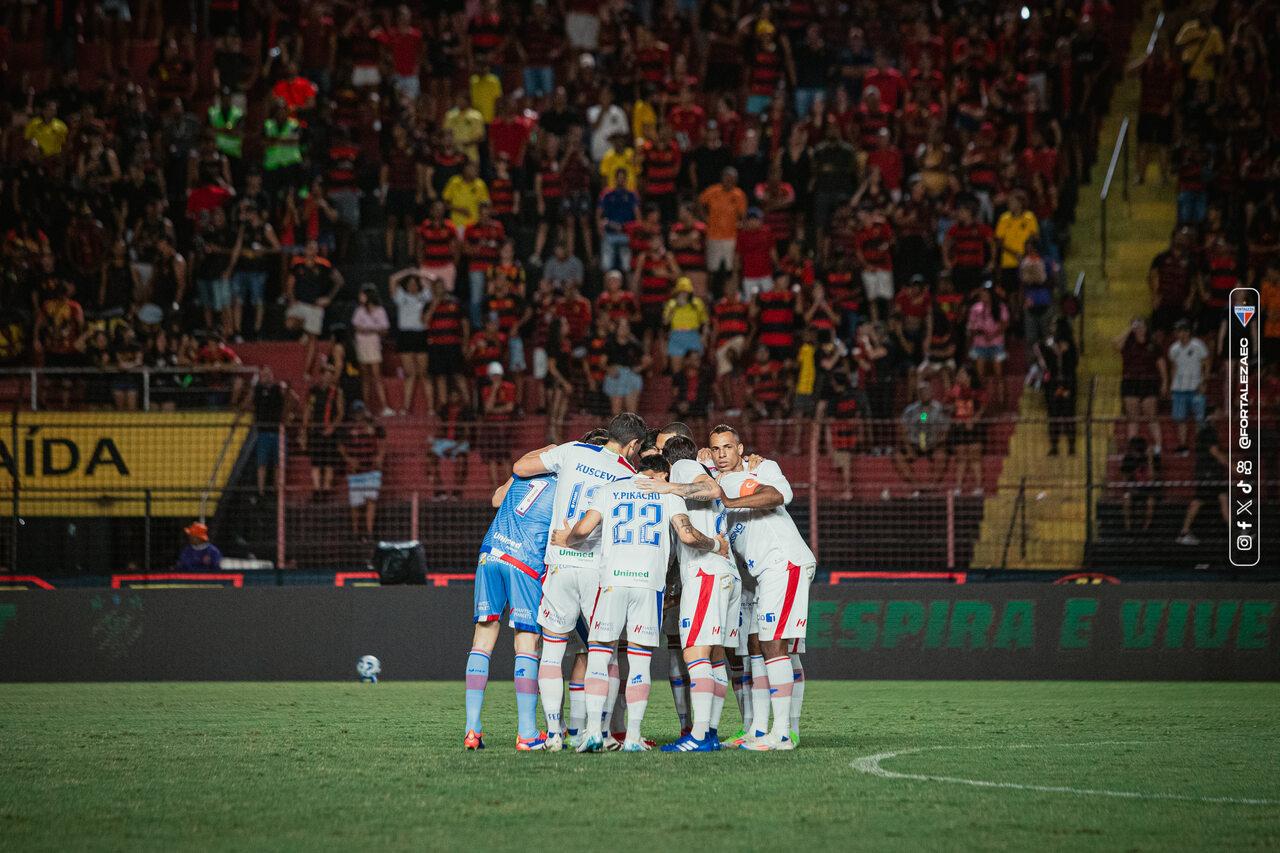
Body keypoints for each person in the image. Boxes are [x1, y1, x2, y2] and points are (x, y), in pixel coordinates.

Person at [550, 453, 727, 753]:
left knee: (600, 654)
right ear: (662, 474)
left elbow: (582, 530)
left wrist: (566, 540)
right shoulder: (668, 494)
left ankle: (593, 732)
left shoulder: (609, 490)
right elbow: (686, 534)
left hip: (612, 582)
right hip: (648, 585)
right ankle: (633, 737)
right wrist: (715, 544)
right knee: (640, 659)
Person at [512, 412, 648, 752]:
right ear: (633, 445)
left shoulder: (572, 450)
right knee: (604, 652)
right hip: (596, 571)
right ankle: (598, 732)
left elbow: (521, 468)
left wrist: (551, 451)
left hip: (559, 564)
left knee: (552, 651)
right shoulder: (629, 476)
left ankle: (554, 734)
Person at [711, 427, 816, 751]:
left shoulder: (762, 468)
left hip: (784, 562)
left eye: (728, 447)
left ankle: (783, 732)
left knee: (775, 645)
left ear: (740, 448)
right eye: (715, 449)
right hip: (762, 573)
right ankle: (758, 729)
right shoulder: (713, 479)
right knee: (757, 645)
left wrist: (730, 501)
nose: (722, 454)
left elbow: (780, 496)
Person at [464, 465, 559, 752]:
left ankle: (472, 730)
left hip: (490, 552)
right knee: (526, 642)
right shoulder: (569, 481)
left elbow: (496, 499)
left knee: (482, 639)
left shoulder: (528, 470)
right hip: (525, 560)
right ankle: (527, 733)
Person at [285, 241, 344, 375]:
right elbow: (290, 283)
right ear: (305, 250)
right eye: (310, 248)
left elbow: (339, 281)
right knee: (290, 324)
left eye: (315, 249)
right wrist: (292, 299)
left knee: (313, 339)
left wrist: (328, 298)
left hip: (315, 307)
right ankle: (306, 330)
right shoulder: (297, 263)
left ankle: (307, 371)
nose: (312, 251)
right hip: (300, 304)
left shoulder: (324, 264)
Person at [1115, 317, 1166, 458]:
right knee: (1133, 418)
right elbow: (1116, 345)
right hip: (1130, 382)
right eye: (1137, 326)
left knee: (1151, 416)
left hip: (1149, 382)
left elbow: (1161, 364)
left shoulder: (1153, 344)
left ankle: (1158, 448)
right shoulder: (1128, 343)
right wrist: (1129, 330)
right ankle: (1133, 449)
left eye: (1142, 326)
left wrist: (1164, 382)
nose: (1139, 329)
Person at [388, 267, 434, 416]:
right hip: (405, 335)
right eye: (410, 283)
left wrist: (419, 273)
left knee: (424, 373)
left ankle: (431, 408)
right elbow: (392, 280)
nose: (412, 286)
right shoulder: (401, 296)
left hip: (420, 335)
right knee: (410, 374)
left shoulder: (424, 296)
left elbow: (432, 280)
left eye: (415, 283)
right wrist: (409, 272)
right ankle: (406, 407)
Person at [892, 382, 950, 497]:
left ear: (931, 392)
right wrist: (908, 447)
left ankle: (932, 488)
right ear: (918, 394)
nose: (924, 394)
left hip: (933, 444)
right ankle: (917, 488)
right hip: (915, 444)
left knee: (941, 456)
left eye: (926, 391)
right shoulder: (910, 410)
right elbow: (903, 430)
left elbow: (945, 431)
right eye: (921, 392)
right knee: (897, 455)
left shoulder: (939, 409)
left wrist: (936, 443)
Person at [1177, 418, 1228, 546]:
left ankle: (1184, 533)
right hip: (1209, 473)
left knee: (1220, 498)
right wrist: (1234, 467)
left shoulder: (1202, 432)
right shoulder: (1209, 432)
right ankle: (1184, 533)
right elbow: (1215, 452)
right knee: (1205, 499)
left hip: (1207, 472)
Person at [340, 401, 386, 540]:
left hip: (371, 468)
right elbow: (340, 446)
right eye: (357, 413)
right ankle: (356, 533)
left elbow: (383, 440)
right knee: (356, 503)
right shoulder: (347, 428)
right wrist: (349, 459)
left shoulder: (374, 425)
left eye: (361, 412)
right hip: (355, 471)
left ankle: (369, 533)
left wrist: (380, 457)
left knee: (371, 501)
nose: (359, 415)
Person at [301, 361, 345, 499]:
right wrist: (304, 429)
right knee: (315, 462)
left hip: (329, 430)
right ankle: (316, 490)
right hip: (316, 429)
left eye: (330, 374)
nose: (327, 376)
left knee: (328, 462)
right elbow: (308, 410)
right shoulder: (313, 391)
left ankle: (326, 489)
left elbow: (340, 412)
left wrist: (332, 427)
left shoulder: (336, 392)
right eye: (325, 373)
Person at [1165, 319, 1209, 453]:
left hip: (1196, 387)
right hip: (1179, 389)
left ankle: (1201, 445)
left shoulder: (1198, 346)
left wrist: (1204, 381)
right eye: (1179, 331)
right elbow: (1173, 367)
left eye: (1184, 331)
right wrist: (1171, 385)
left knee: (1200, 418)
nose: (1182, 334)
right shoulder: (1173, 349)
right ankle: (1183, 445)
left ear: (1189, 332)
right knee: (1180, 419)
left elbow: (1206, 363)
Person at [250, 366, 293, 500]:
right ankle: (261, 492)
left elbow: (290, 400)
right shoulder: (257, 390)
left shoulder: (278, 389)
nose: (266, 376)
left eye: (268, 374)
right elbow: (248, 403)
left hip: (277, 432)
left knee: (278, 464)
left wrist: (285, 416)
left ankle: (277, 492)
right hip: (263, 432)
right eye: (264, 374)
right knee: (261, 463)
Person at [966, 284, 1010, 410]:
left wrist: (993, 334)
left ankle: (1001, 403)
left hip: (996, 344)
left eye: (986, 293)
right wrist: (978, 331)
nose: (983, 295)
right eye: (982, 293)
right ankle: (983, 404)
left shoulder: (1000, 307)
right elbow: (971, 326)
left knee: (999, 375)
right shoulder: (975, 308)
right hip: (980, 344)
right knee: (980, 376)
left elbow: (1005, 324)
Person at [946, 365, 987, 496]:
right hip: (959, 427)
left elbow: (983, 407)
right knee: (961, 458)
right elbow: (947, 406)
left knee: (975, 457)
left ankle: (979, 487)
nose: (958, 376)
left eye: (961, 374)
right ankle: (958, 488)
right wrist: (952, 411)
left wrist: (974, 419)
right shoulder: (955, 390)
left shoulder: (978, 391)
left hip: (974, 426)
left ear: (969, 377)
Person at [1039, 321, 1078, 456]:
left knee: (1069, 414)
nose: (1052, 328)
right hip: (1053, 384)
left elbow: (1073, 364)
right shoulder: (1048, 343)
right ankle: (1054, 445)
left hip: (1067, 384)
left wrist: (1064, 352)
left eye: (1054, 325)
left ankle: (1071, 445)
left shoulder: (1071, 345)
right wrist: (1053, 351)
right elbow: (1045, 363)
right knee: (1053, 415)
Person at [352, 285, 392, 416]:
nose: (360, 297)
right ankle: (367, 408)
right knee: (365, 378)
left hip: (374, 346)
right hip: (362, 345)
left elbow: (384, 330)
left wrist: (369, 329)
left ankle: (384, 406)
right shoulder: (359, 311)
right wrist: (374, 329)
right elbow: (357, 328)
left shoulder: (380, 311)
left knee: (376, 376)